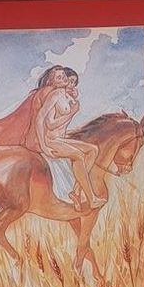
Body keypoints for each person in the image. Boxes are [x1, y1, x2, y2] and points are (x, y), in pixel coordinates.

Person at [35, 68, 106, 210]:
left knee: (93, 150)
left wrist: (72, 100)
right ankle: (91, 198)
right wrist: (44, 146)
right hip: (51, 140)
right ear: (54, 81)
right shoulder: (55, 94)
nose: (69, 83)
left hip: (60, 139)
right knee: (78, 155)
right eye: (63, 78)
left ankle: (76, 190)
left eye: (73, 81)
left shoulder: (65, 96)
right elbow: (48, 123)